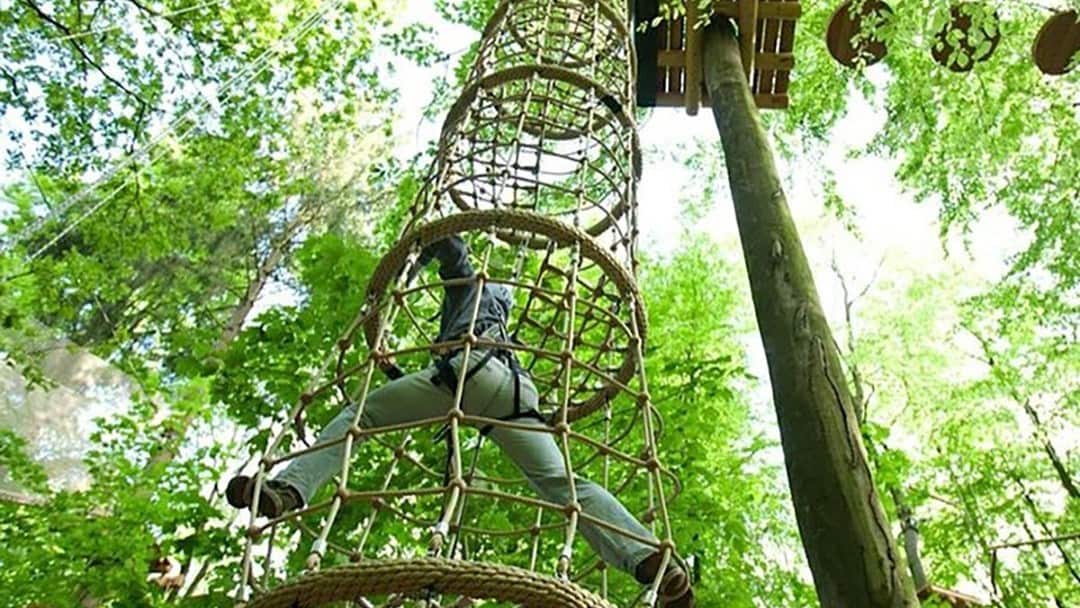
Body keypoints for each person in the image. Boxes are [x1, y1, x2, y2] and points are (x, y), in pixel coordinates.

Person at [226, 235, 694, 606]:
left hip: (464, 374)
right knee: (563, 485)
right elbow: (430, 384)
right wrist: (393, 370)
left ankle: (290, 490)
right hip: (510, 394)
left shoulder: (470, 287)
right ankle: (652, 561)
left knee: (360, 415)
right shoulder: (494, 320)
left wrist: (422, 249)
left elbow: (455, 254)